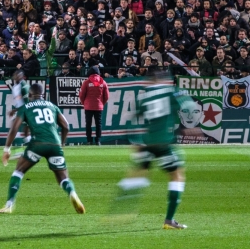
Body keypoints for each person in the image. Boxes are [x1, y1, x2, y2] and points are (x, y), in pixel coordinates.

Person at [110, 71, 193, 229]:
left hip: (146, 143)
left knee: (138, 174)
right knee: (177, 175)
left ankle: (118, 212)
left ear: (152, 80)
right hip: (163, 143)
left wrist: (135, 142)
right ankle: (169, 220)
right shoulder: (171, 92)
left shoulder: (145, 96)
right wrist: (186, 127)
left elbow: (132, 121)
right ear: (163, 80)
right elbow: (189, 106)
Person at [0, 83, 85, 214]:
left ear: (30, 95)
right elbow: (66, 126)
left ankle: (9, 205)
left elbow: (14, 128)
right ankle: (71, 192)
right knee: (63, 178)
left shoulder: (26, 107)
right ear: (43, 95)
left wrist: (7, 150)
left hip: (37, 145)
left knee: (18, 172)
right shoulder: (53, 106)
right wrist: (61, 144)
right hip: (55, 145)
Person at [79, 66, 110, 146]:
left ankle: (89, 140)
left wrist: (84, 103)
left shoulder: (86, 82)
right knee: (98, 123)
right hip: (99, 106)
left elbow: (81, 95)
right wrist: (101, 104)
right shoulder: (103, 82)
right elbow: (106, 96)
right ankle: (98, 140)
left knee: (88, 123)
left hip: (88, 106)